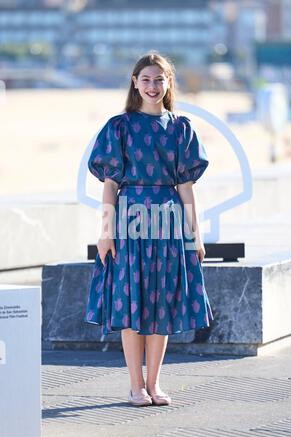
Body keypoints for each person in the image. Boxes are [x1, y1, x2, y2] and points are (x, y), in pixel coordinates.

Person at [84, 51, 214, 407]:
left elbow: (187, 188)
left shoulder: (181, 128)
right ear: (135, 82)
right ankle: (135, 385)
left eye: (159, 79)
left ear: (168, 83)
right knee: (130, 302)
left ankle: (155, 384)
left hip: (169, 224)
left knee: (161, 305)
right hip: (129, 223)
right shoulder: (119, 127)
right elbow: (110, 185)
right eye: (146, 79)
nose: (153, 86)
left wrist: (195, 235)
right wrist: (105, 232)